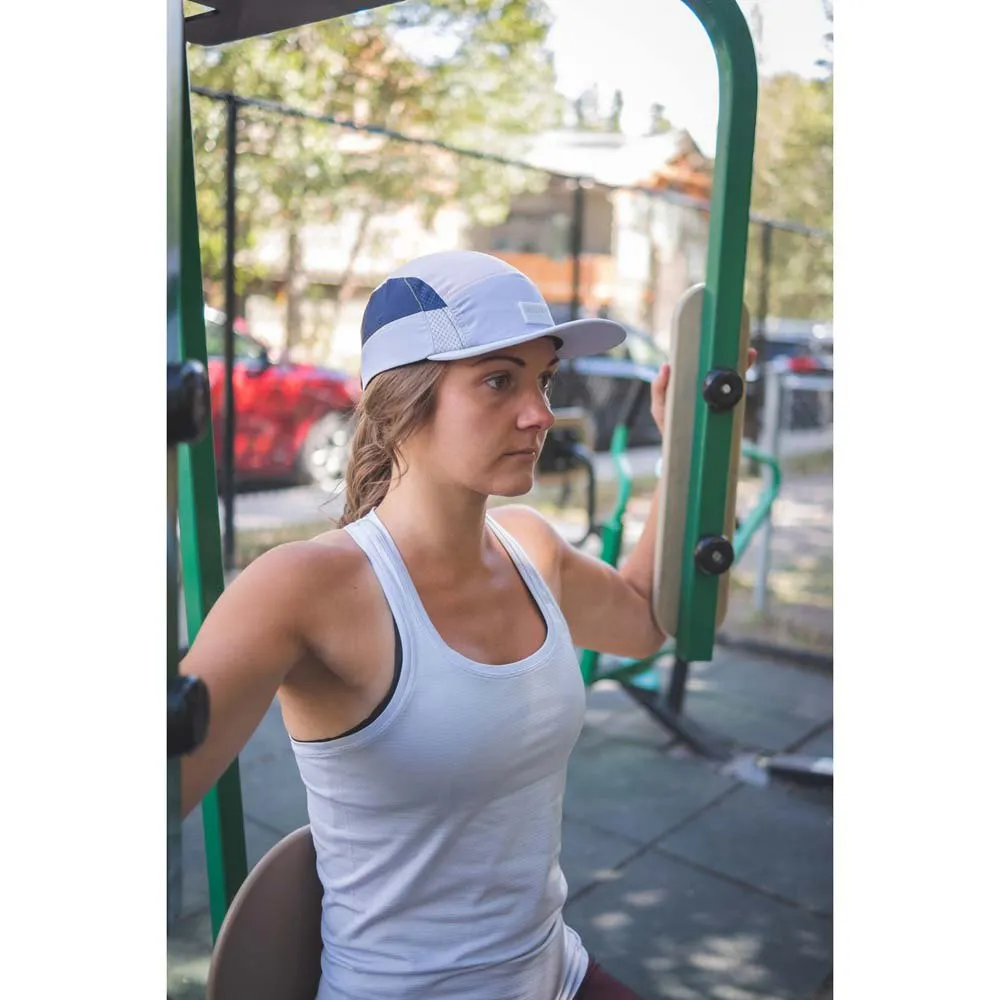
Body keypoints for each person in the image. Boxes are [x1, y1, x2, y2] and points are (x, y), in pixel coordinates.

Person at [180, 250, 751, 1000]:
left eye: (543, 380)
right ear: (402, 401)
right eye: (499, 380)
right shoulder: (306, 587)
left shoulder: (530, 547)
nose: (540, 412)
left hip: (554, 974)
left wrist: (692, 441)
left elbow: (646, 618)